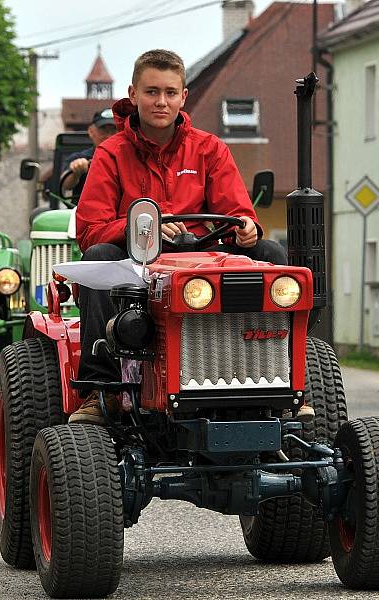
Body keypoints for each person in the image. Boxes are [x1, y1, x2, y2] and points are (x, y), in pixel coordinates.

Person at [70, 49, 295, 424]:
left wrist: (245, 229)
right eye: (152, 92)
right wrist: (142, 228)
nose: (161, 102)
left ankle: (280, 375)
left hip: (202, 262)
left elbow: (239, 214)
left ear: (183, 96)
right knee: (96, 256)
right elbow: (90, 229)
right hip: (137, 267)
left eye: (170, 92)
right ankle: (102, 389)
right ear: (133, 94)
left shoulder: (210, 150)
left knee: (270, 251)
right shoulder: (111, 154)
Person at [59, 108, 118, 201]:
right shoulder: (79, 158)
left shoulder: (130, 160)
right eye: (104, 131)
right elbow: (65, 184)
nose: (109, 136)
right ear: (91, 131)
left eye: (114, 130)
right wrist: (76, 172)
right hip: (84, 213)